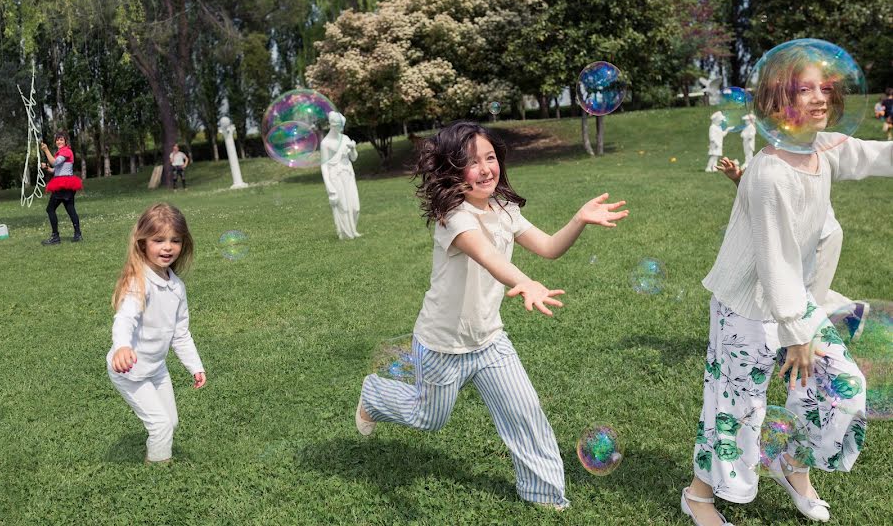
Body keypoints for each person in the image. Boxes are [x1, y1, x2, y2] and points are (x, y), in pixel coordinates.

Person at [355, 121, 629, 509]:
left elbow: (549, 247)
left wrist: (579, 219)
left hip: (489, 340)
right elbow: (487, 256)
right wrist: (526, 282)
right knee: (428, 418)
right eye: (472, 162)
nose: (486, 168)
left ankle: (546, 497)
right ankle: (375, 393)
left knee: (526, 412)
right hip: (441, 343)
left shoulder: (504, 209)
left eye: (490, 158)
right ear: (451, 169)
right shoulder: (455, 216)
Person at [683, 47, 893, 526]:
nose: (820, 98)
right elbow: (773, 260)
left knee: (844, 389)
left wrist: (799, 324)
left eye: (825, 88)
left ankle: (791, 465)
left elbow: (880, 155)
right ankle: (698, 496)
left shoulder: (823, 148)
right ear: (779, 102)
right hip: (748, 306)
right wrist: (797, 335)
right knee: (736, 403)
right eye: (805, 89)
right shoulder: (769, 172)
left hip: (794, 303)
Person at [106, 203, 206, 464]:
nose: (168, 247)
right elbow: (125, 318)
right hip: (129, 371)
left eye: (175, 240)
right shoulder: (138, 282)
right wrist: (122, 347)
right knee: (161, 425)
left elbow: (181, 334)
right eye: (159, 240)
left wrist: (195, 366)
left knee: (170, 422)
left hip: (156, 368)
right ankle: (159, 474)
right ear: (142, 244)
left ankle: (158, 453)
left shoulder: (176, 287)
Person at [715, 157, 868, 325]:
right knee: (790, 290)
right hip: (795, 240)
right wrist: (739, 180)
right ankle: (850, 309)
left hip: (821, 238)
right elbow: (758, 198)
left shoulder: (801, 161)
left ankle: (816, 337)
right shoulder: (765, 159)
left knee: (805, 302)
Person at [320, 111, 361, 239]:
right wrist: (330, 189)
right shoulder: (325, 143)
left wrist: (353, 149)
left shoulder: (345, 138)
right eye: (339, 126)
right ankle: (346, 234)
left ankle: (353, 230)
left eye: (341, 126)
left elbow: (353, 158)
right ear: (332, 125)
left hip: (348, 174)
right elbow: (324, 166)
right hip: (335, 176)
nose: (341, 128)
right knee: (343, 207)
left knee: (355, 207)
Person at [39, 131, 83, 244]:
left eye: (61, 139)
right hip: (67, 184)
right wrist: (46, 167)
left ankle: (55, 237)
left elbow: (54, 163)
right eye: (57, 139)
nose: (59, 141)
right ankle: (78, 235)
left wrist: (46, 150)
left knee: (50, 209)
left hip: (63, 185)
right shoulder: (60, 153)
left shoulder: (66, 151)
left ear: (66, 141)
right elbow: (55, 169)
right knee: (70, 209)